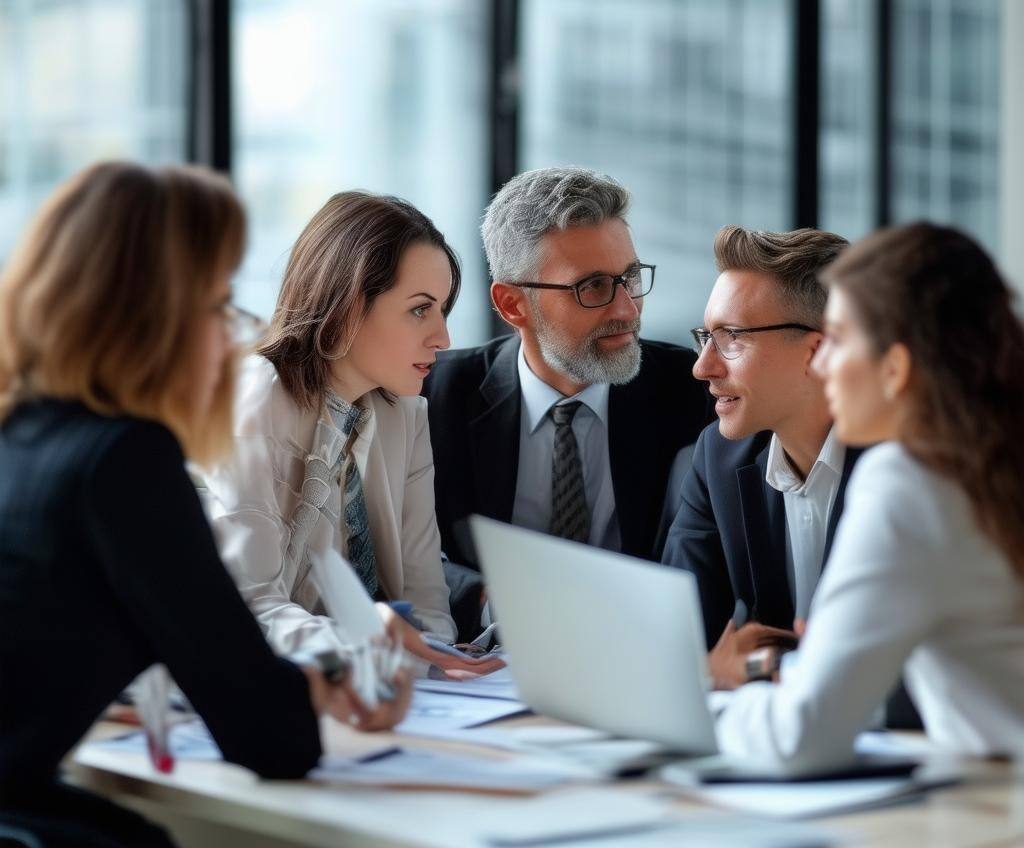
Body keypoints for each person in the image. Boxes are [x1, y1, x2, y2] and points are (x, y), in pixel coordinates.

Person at [0, 162, 409, 848]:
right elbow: (268, 736)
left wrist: (309, 678)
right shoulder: (124, 460)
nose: (229, 337)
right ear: (156, 314)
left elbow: (203, 652)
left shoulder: (19, 437)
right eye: (220, 305)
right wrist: (329, 684)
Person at [715, 222, 1024, 772]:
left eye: (836, 339)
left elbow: (799, 737)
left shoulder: (912, 481)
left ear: (895, 368)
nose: (823, 363)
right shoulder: (987, 461)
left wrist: (709, 706)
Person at [200, 191, 500, 675]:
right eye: (420, 309)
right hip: (288, 690)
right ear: (347, 306)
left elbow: (426, 597)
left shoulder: (405, 414)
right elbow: (248, 608)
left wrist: (430, 658)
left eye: (443, 309)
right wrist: (389, 655)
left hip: (387, 693)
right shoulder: (257, 400)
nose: (443, 338)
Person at [423, 167, 712, 638]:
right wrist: (500, 601)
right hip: (491, 663)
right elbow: (408, 559)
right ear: (513, 304)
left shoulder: (693, 393)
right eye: (593, 287)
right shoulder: (434, 398)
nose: (627, 309)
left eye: (631, 277)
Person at [661, 226, 856, 687]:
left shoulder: (909, 465)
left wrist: (756, 668)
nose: (702, 367)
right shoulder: (720, 458)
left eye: (730, 338)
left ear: (818, 351)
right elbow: (679, 643)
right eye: (704, 337)